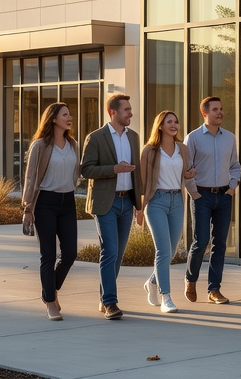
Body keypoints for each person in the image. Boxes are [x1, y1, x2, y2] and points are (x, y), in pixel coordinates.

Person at [80, 92, 143, 320]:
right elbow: (86, 169)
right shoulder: (96, 137)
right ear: (112, 112)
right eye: (127, 110)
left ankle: (104, 296)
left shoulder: (133, 137)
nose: (131, 113)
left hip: (127, 201)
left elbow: (137, 172)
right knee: (110, 251)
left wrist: (139, 205)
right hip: (106, 202)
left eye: (130, 109)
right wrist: (114, 169)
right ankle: (110, 302)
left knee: (118, 255)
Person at [21, 102, 79, 321]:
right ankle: (50, 302)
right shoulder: (40, 145)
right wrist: (28, 208)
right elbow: (30, 178)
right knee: (48, 254)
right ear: (53, 119)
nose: (69, 117)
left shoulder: (73, 144)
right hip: (45, 201)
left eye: (69, 114)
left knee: (70, 253)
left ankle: (50, 289)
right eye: (65, 114)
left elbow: (76, 172)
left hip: (68, 201)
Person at [183, 96, 239, 305]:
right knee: (201, 241)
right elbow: (186, 168)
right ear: (204, 112)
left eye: (221, 109)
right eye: (215, 109)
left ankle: (214, 289)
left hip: (224, 195)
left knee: (220, 243)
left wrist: (232, 187)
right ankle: (191, 279)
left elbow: (235, 165)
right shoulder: (193, 138)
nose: (220, 112)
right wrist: (193, 192)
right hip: (202, 196)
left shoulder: (230, 138)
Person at [137, 111, 195, 313]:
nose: (174, 125)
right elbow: (142, 181)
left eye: (176, 122)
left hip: (177, 200)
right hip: (156, 201)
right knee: (163, 250)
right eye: (169, 121)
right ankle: (166, 297)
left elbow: (185, 174)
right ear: (160, 125)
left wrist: (189, 176)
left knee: (171, 251)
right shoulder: (149, 151)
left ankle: (152, 282)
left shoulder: (182, 149)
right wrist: (139, 208)